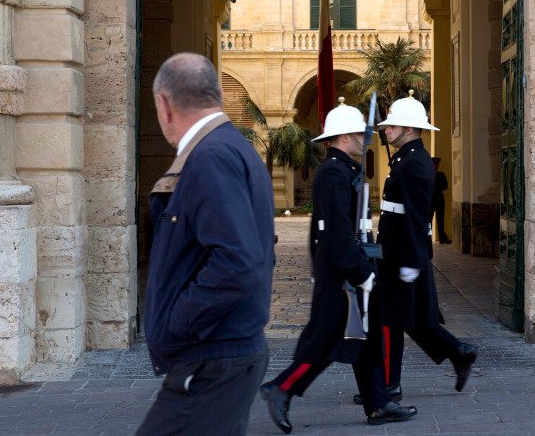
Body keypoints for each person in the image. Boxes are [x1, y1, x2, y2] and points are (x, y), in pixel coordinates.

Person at [137, 53, 275, 436]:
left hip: (213, 358)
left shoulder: (210, 156)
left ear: (164, 104)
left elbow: (238, 261)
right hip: (224, 354)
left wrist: (177, 323)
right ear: (214, 93)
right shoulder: (232, 148)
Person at [260, 99, 417, 434]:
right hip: (341, 272)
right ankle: (282, 388)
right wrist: (361, 272)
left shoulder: (345, 169)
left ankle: (378, 403)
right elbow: (335, 231)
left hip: (353, 266)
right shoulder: (333, 172)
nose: (367, 137)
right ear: (344, 136)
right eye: (360, 133)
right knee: (327, 338)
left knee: (366, 336)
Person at [372, 91, 477, 401]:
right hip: (393, 247)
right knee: (413, 319)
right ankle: (459, 353)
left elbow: (418, 219)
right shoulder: (406, 157)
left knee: (391, 320)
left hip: (402, 252)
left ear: (409, 128)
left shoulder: (415, 163)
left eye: (392, 126)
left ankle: (390, 384)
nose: (386, 130)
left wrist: (409, 261)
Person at [431, 157, 452, 244]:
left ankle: (442, 238)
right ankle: (427, 239)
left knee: (441, 220)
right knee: (428, 221)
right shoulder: (428, 174)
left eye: (437, 164)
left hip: (439, 200)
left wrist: (437, 186)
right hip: (431, 200)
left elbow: (445, 186)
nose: (436, 166)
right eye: (435, 164)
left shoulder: (441, 174)